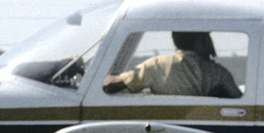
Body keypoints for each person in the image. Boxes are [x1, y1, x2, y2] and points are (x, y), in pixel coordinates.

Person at [103, 32, 242, 98]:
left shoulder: (156, 65)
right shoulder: (219, 73)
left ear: (175, 43)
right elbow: (238, 99)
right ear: (200, 42)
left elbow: (109, 84)